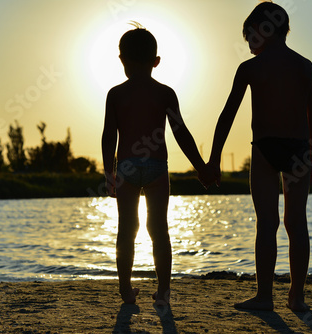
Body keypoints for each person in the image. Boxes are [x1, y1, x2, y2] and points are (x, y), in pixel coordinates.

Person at [206, 2, 312, 312]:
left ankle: (265, 296)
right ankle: (296, 297)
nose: (249, 45)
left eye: (250, 37)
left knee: (267, 223)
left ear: (264, 31)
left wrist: (214, 158)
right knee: (296, 223)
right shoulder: (304, 65)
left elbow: (227, 115)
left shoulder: (251, 68)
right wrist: (310, 155)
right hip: (298, 149)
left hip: (265, 148)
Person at [102, 25, 214, 305]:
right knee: (159, 229)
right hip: (156, 167)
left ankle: (126, 292)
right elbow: (181, 132)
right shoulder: (165, 93)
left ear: (122, 60)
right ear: (156, 61)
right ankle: (163, 292)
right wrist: (201, 166)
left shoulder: (115, 94)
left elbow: (109, 135)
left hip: (127, 166)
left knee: (127, 228)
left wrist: (109, 172)